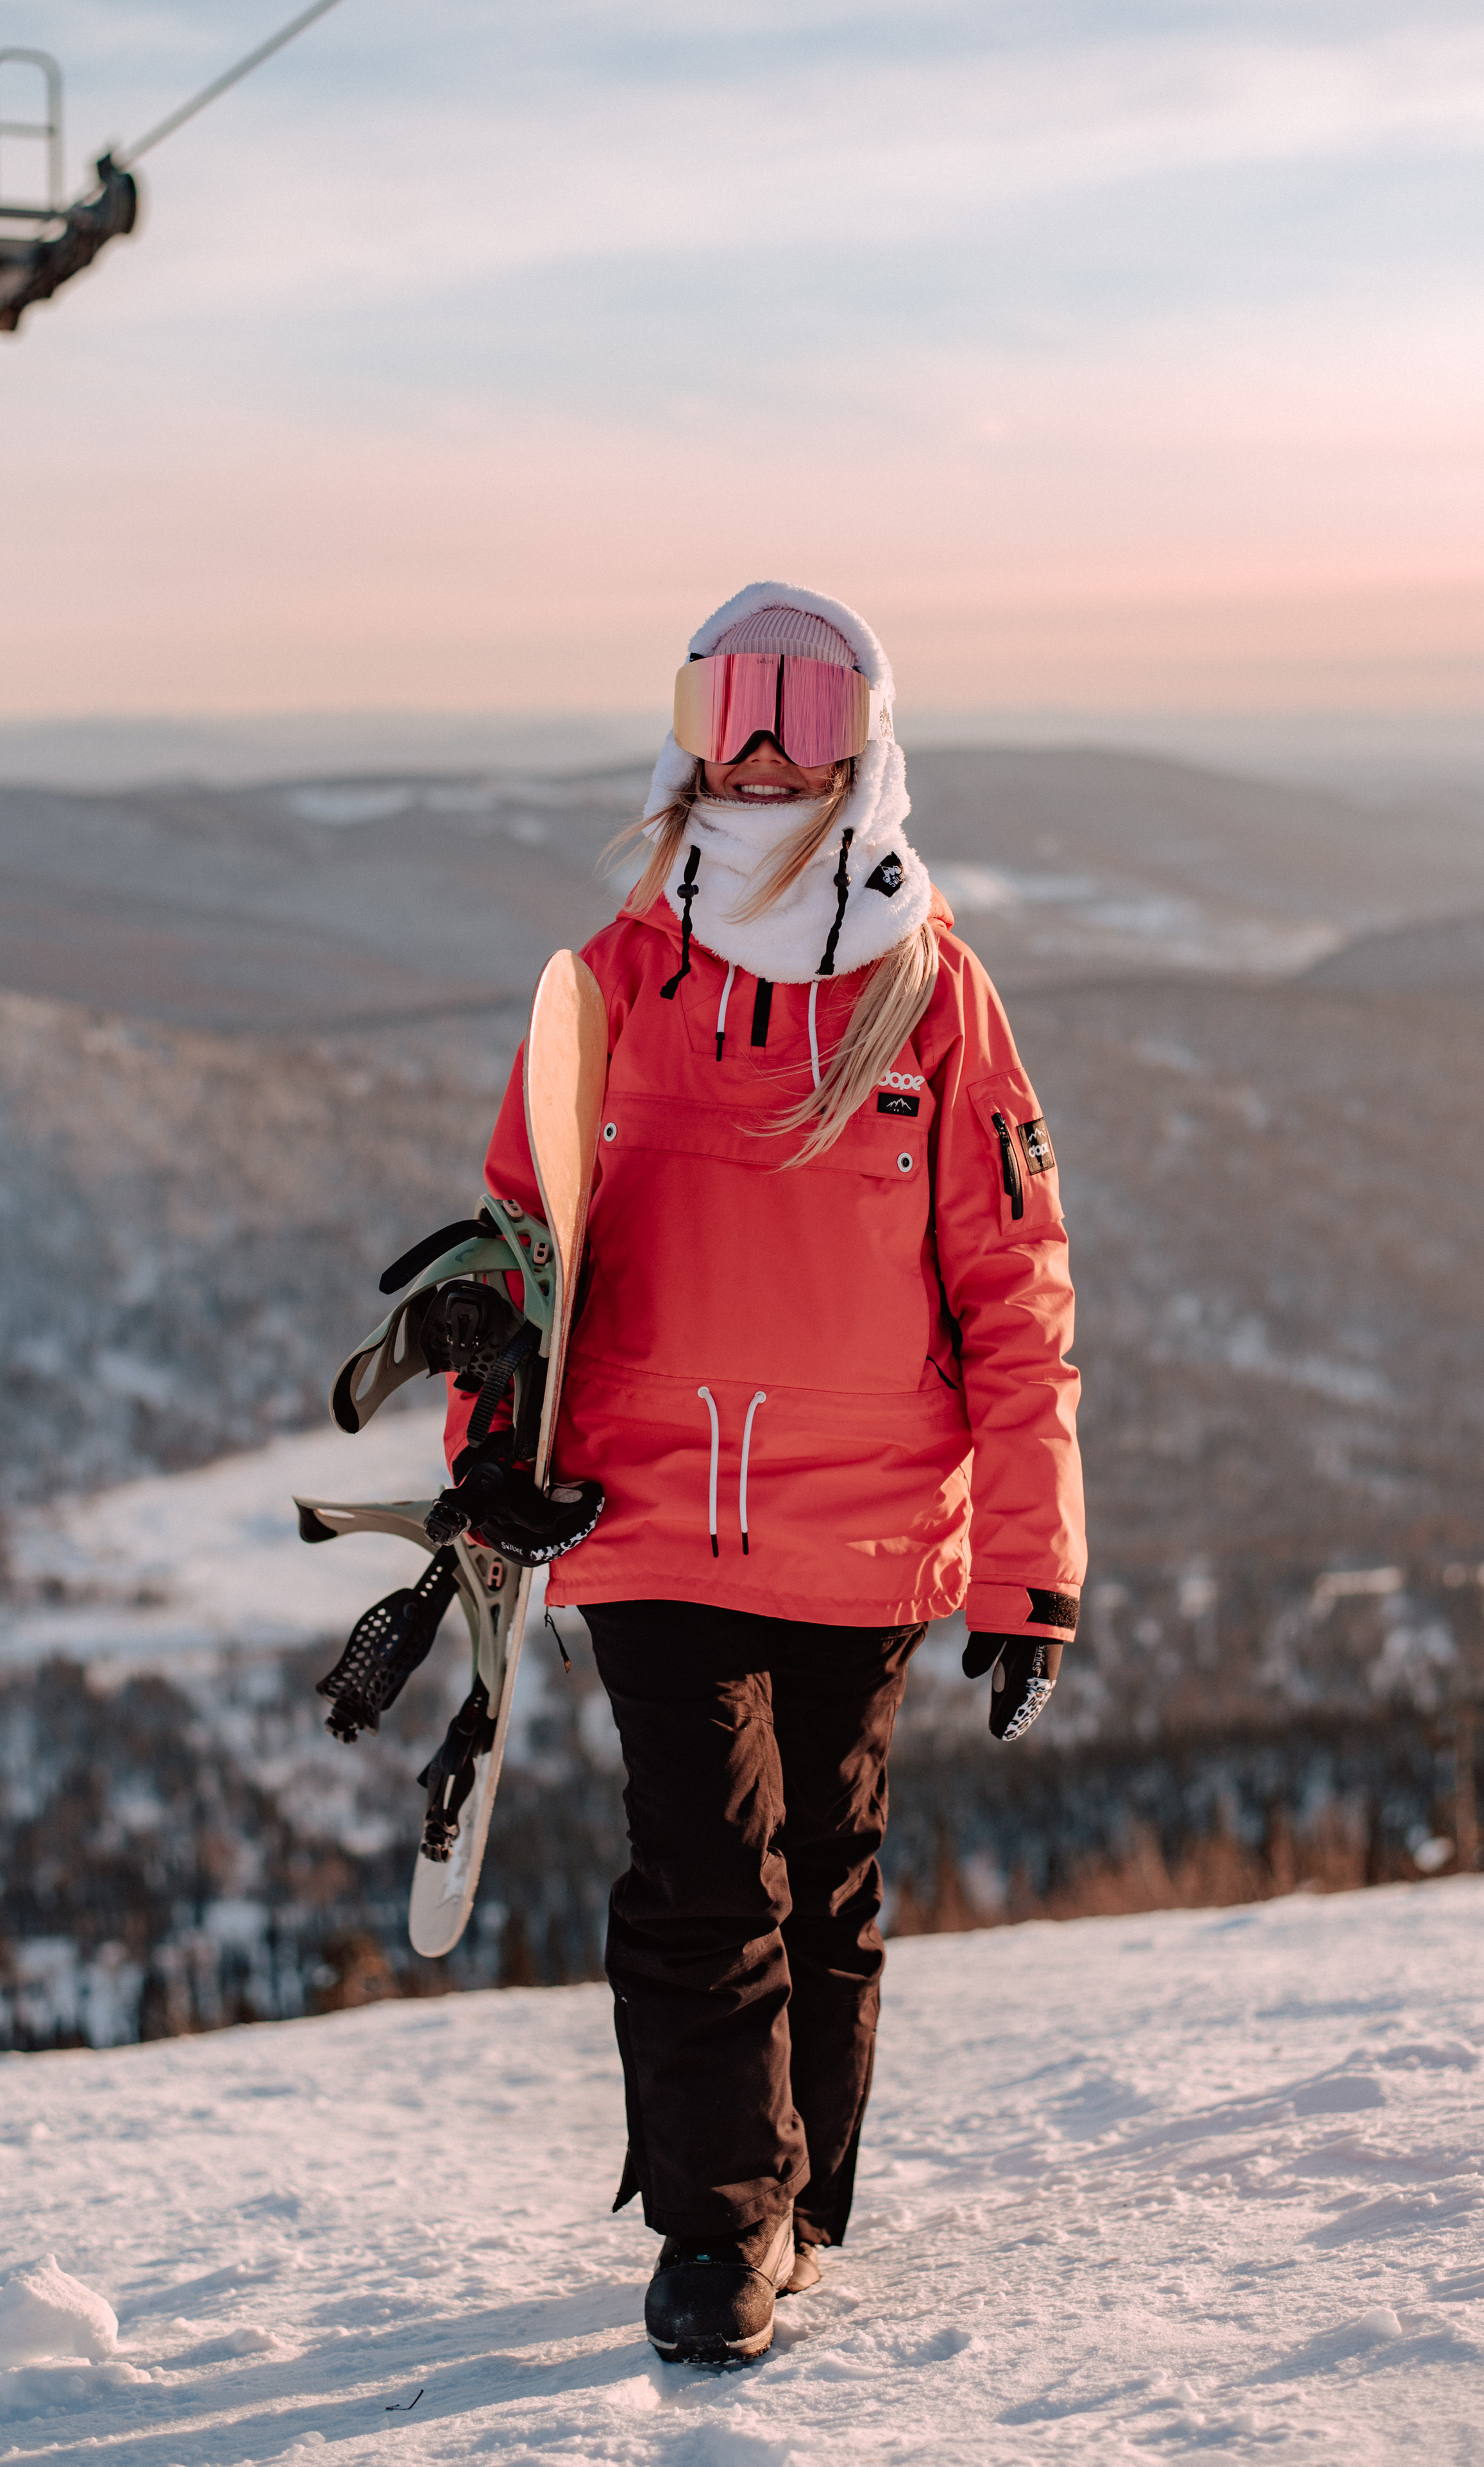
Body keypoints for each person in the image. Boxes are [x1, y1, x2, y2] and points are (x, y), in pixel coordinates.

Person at [445, 582, 1084, 2364]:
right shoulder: (618, 980)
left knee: (829, 1872)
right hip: (648, 1514)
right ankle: (719, 2231)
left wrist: (1035, 1570)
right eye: (731, 697)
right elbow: (518, 1262)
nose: (761, 746)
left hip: (865, 1526)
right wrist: (497, 1453)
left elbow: (1017, 1295)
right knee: (704, 1870)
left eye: (807, 707)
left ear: (869, 742)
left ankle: (804, 2198)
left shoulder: (935, 999)